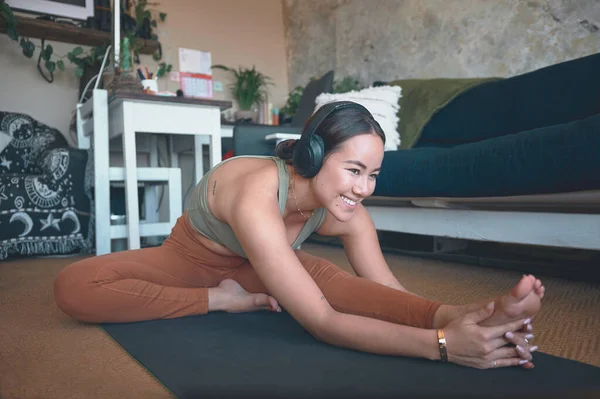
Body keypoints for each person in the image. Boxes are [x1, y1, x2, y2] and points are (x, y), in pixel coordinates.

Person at [54, 101, 545, 370]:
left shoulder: (344, 210)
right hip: (191, 259)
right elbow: (325, 324)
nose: (364, 188)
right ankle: (219, 300)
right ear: (311, 158)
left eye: (372, 174)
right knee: (74, 288)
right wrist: (441, 346)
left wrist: (459, 317)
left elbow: (386, 292)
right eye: (354, 169)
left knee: (346, 287)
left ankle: (485, 319)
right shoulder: (256, 193)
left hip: (259, 267)